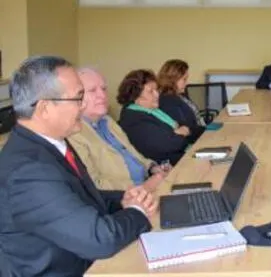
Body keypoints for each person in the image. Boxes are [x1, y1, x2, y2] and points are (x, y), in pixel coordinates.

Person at [0, 56, 156, 277]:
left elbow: (81, 196)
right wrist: (138, 211)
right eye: (78, 98)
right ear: (44, 108)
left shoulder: (51, 143)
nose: (83, 105)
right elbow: (99, 239)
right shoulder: (28, 170)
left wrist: (125, 198)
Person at [68, 67, 171, 191]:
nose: (102, 95)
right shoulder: (73, 133)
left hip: (148, 184)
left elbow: (133, 155)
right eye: (92, 90)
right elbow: (94, 185)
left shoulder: (108, 121)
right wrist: (143, 187)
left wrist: (153, 168)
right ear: (76, 97)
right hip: (128, 198)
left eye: (104, 89)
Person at [117, 69, 191, 165]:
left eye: (156, 90)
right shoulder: (134, 119)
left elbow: (180, 126)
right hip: (168, 168)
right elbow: (171, 144)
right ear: (135, 96)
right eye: (151, 91)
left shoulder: (153, 110)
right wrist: (181, 133)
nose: (157, 94)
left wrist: (177, 133)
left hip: (181, 157)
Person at [157, 59, 206, 140]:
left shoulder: (179, 95)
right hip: (193, 141)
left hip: (200, 133)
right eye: (184, 79)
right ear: (173, 79)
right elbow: (186, 129)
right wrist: (207, 131)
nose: (186, 83)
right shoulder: (167, 101)